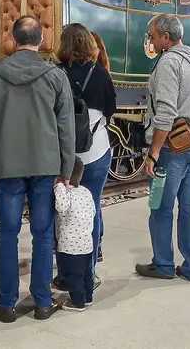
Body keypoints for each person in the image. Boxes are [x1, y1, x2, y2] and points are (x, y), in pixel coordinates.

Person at [0, 16, 76, 323]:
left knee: (7, 234)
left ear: (14, 40)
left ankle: (6, 304)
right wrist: (66, 169)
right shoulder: (56, 77)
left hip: (6, 166)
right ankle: (43, 302)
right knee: (43, 235)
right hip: (45, 166)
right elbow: (66, 128)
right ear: (41, 41)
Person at [136, 14, 190, 283]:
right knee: (189, 206)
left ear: (166, 38)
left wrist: (154, 153)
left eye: (153, 36)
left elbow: (165, 113)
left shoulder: (168, 63)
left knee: (160, 207)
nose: (151, 40)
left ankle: (164, 264)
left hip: (171, 149)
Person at [51, 24, 116, 291]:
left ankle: (65, 274)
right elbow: (111, 109)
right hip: (97, 151)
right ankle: (88, 274)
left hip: (63, 156)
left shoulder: (56, 75)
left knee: (61, 212)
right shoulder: (100, 73)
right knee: (92, 208)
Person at [53, 173, 96, 311]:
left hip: (70, 245)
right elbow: (94, 211)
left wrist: (58, 186)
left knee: (74, 276)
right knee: (86, 273)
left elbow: (61, 207)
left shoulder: (65, 192)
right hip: (87, 243)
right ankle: (88, 297)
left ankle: (77, 302)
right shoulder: (86, 191)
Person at [89, 31, 111, 263]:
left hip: (79, 152)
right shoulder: (104, 74)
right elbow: (110, 111)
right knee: (94, 200)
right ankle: (98, 245)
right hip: (99, 146)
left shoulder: (66, 74)